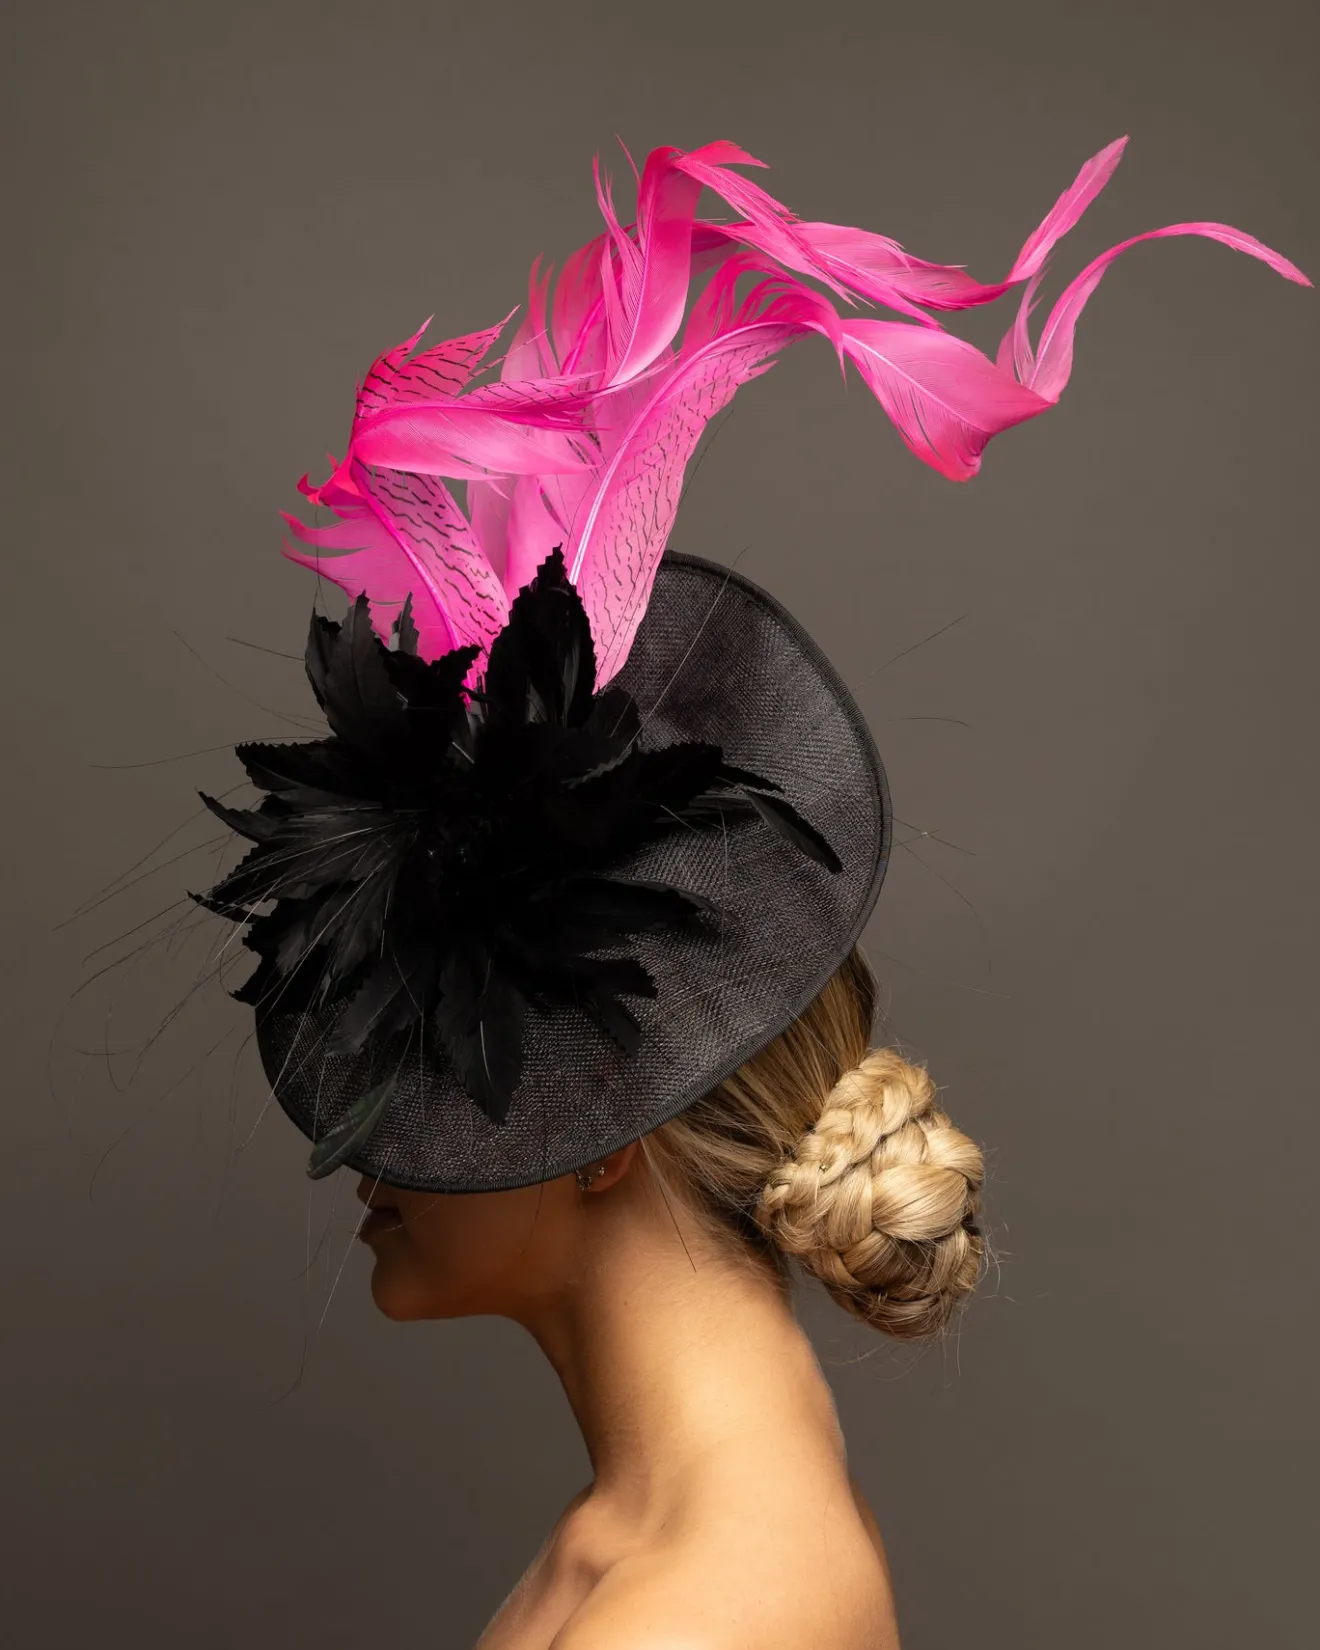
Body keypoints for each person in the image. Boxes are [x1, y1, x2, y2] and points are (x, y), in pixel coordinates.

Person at [185, 135, 1305, 1649]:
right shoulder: (655, 1543)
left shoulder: (705, 1608)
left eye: (429, 1035)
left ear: (601, 1107)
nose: (359, 1142)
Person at [358, 948, 981, 1649]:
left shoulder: (684, 1618)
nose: (361, 1139)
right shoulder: (706, 1529)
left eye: (440, 1052)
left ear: (593, 1121)